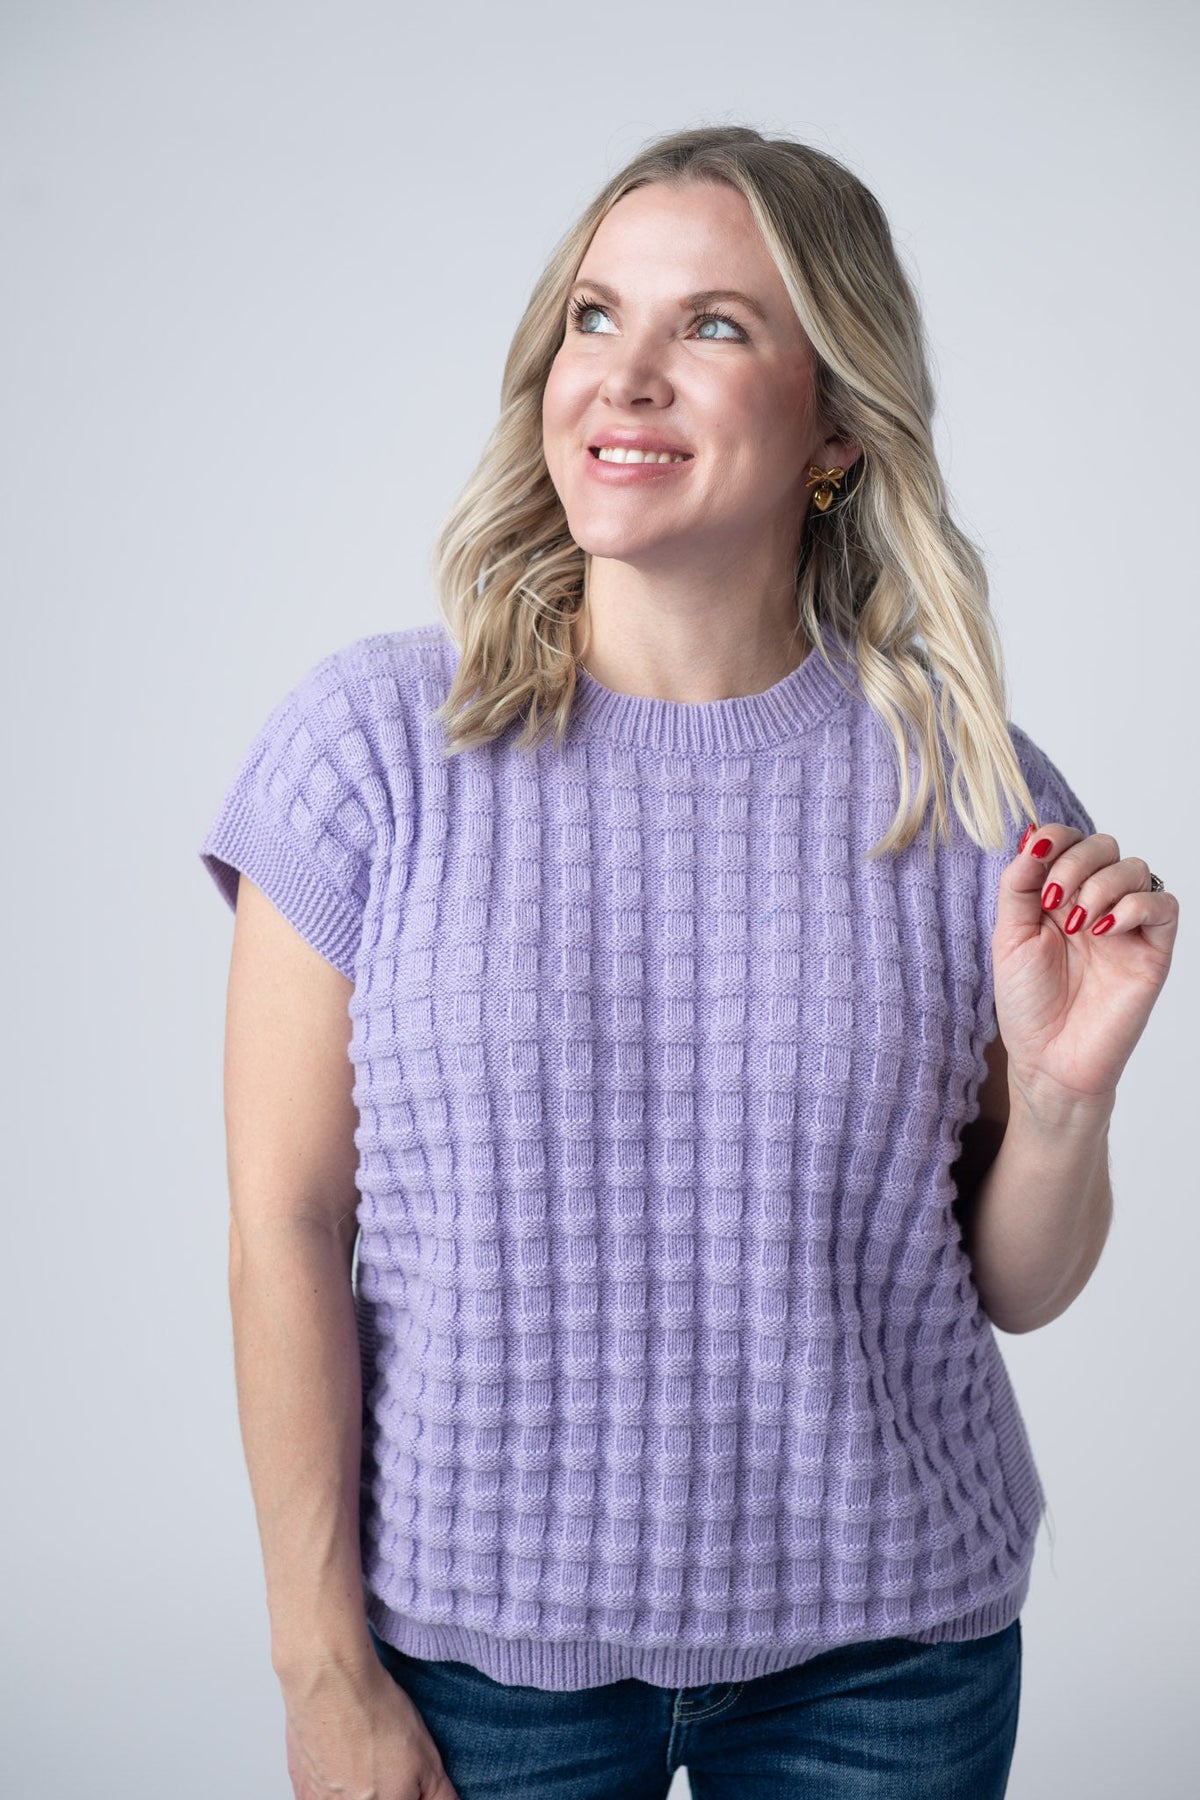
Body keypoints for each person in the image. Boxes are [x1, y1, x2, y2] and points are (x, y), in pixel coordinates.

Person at [198, 125, 1178, 1800]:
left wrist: (1068, 1096)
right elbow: (284, 1227)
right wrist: (318, 1664)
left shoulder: (974, 796)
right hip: (468, 1659)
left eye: (713, 326)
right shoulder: (371, 751)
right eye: (595, 316)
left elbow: (1015, 1283)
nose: (625, 375)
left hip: (887, 1661)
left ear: (838, 431)